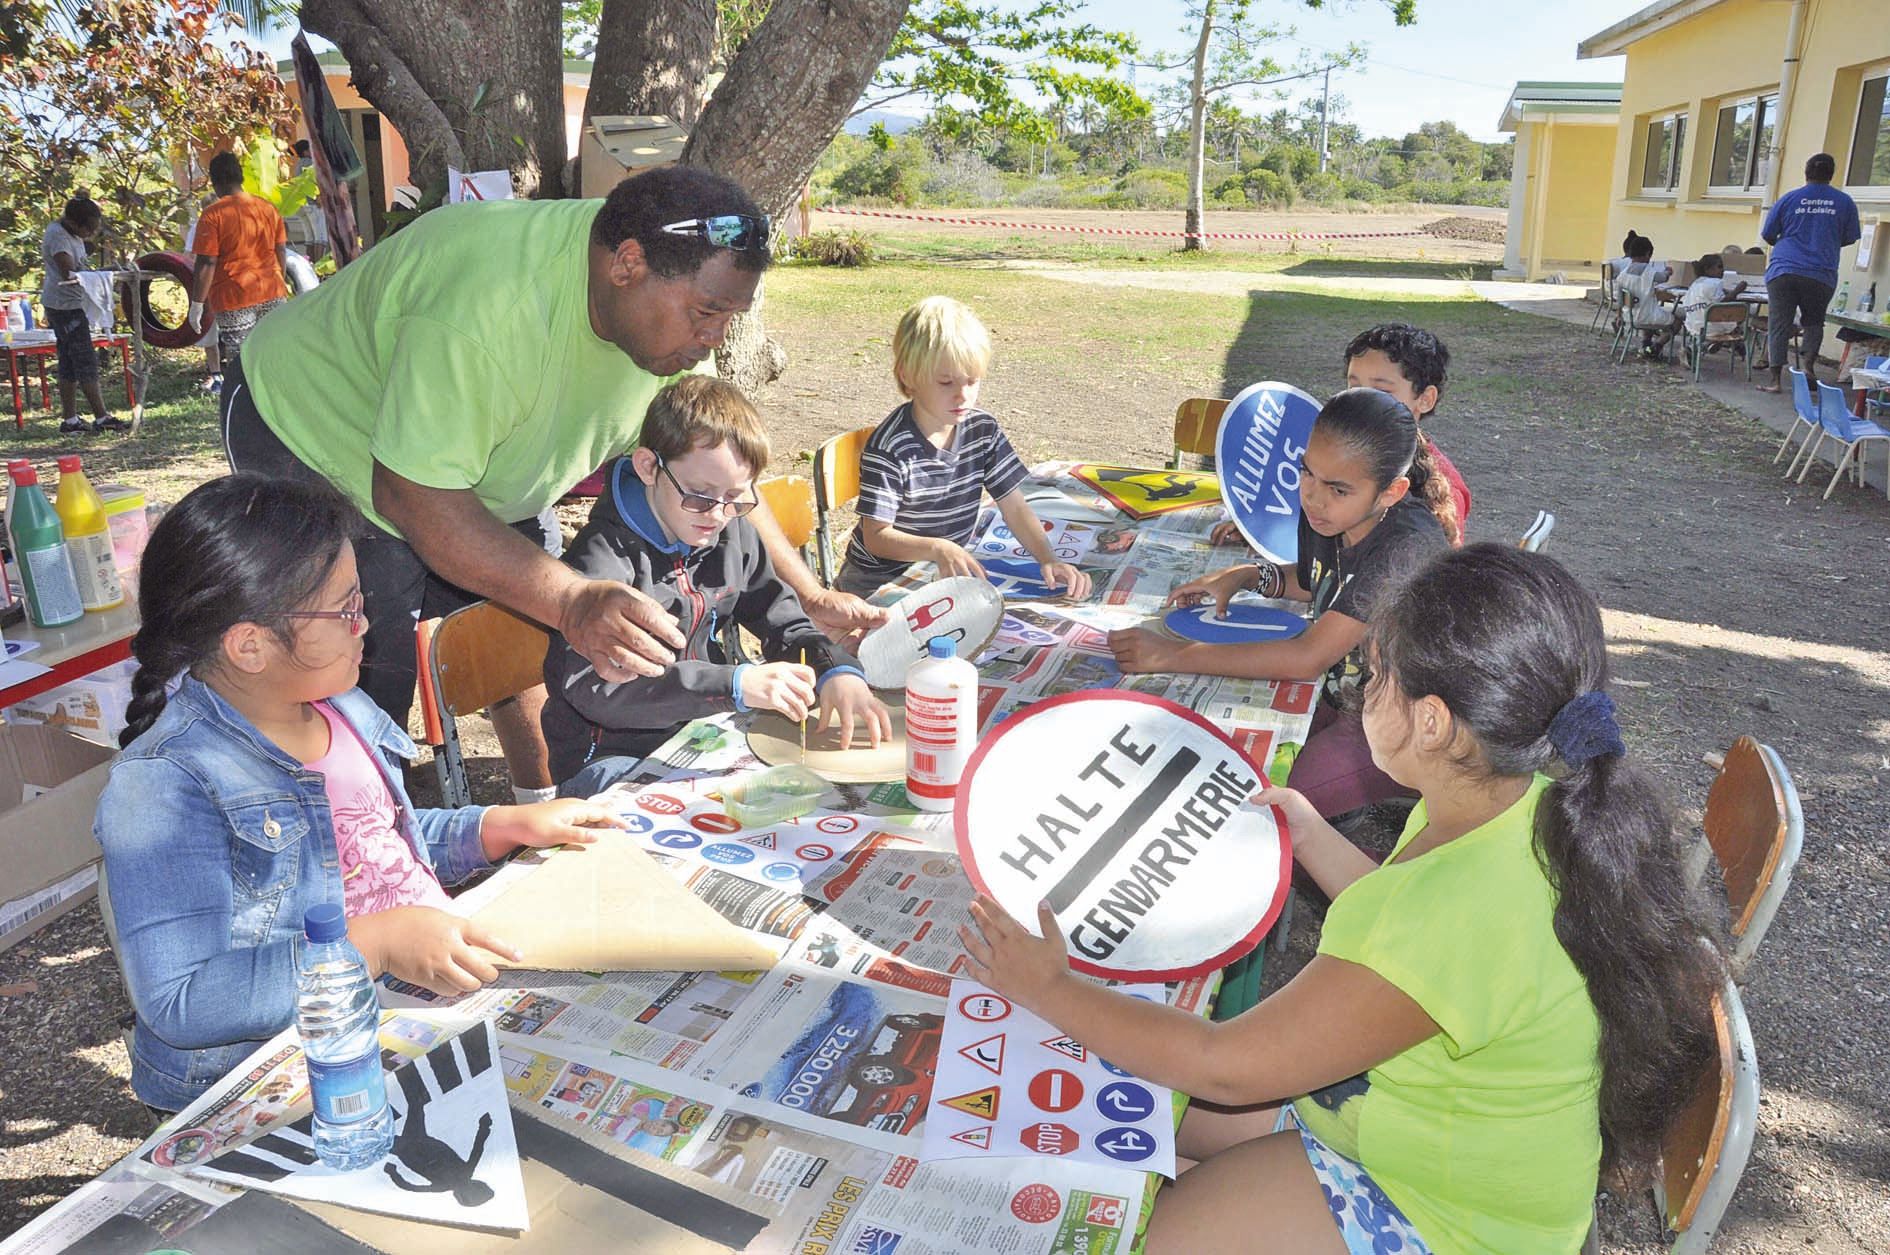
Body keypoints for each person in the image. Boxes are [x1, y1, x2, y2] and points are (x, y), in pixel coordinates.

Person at [963, 544, 1724, 1255]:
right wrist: (1306, 829)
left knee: (1146, 1215)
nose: (1364, 691)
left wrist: (1051, 987)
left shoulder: (1453, 914)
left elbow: (1227, 1064)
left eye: (1374, 675)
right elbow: (1400, 956)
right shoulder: (1514, 804)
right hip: (1417, 1129)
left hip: (1454, 1220)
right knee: (1137, 1118)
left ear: (1432, 721)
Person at [220, 165, 884, 802]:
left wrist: (810, 592)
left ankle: (538, 806)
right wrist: (570, 599)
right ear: (626, 265)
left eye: (728, 319)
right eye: (706, 313)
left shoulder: (660, 320)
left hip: (462, 453)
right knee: (361, 671)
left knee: (529, 627)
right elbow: (412, 495)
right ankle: (345, 842)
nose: (713, 342)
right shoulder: (493, 308)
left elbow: (724, 474)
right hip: (313, 432)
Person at [94, 475, 628, 1113]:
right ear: (251, 645)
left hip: (408, 1003)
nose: (366, 622)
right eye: (346, 609)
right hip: (279, 1070)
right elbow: (181, 1001)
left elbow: (372, 838)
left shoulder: (336, 704)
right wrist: (373, 944)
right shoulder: (165, 784)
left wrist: (500, 826)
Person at [1112, 388, 1450, 819]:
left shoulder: (1405, 549)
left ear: (1391, 492)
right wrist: (1248, 576)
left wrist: (1171, 654)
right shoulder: (1333, 512)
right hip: (1347, 694)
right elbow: (1320, 580)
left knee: (1277, 813)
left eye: (1337, 489)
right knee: (1216, 752)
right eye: (1306, 473)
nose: (1312, 496)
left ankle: (1373, 877)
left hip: (1406, 722)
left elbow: (1306, 658)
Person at [543, 377, 890, 791]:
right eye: (701, 494)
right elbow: (601, 691)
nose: (718, 514)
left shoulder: (728, 530)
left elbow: (782, 617)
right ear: (649, 467)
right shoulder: (602, 563)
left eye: (736, 497)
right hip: (609, 759)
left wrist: (835, 671)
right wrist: (733, 684)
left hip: (696, 731)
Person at [833, 296, 1093, 601]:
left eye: (972, 381)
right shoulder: (890, 448)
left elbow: (1014, 505)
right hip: (877, 583)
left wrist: (1048, 558)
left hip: (939, 574)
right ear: (908, 376)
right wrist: (937, 547)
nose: (962, 396)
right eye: (946, 383)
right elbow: (877, 538)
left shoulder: (981, 430)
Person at [1213, 324, 1467, 545]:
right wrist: (1265, 532)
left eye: (1381, 391)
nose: (1362, 400)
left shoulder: (1442, 488)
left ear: (1425, 399)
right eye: (1354, 387)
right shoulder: (1336, 453)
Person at [1758, 152, 1862, 393]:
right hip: (1820, 272)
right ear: (1831, 174)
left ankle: (1775, 380)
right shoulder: (1844, 202)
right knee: (1814, 322)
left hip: (1783, 269)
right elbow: (1849, 237)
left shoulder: (1789, 198)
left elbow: (1768, 234)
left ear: (1806, 173)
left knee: (1779, 323)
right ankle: (1808, 367)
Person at [189, 150, 290, 372]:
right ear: (240, 177)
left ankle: (246, 405)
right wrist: (278, 282)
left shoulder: (212, 215)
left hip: (234, 297)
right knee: (273, 356)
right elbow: (280, 250)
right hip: (272, 291)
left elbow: (206, 262)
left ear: (215, 182)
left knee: (242, 364)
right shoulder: (267, 208)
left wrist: (197, 303)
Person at [38, 194, 129, 433]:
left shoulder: (73, 234)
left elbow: (82, 270)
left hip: (73, 304)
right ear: (75, 223)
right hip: (63, 306)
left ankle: (70, 419)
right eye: (88, 229)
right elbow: (69, 272)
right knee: (84, 360)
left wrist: (106, 274)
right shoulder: (58, 237)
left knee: (68, 361)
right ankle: (101, 416)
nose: (90, 235)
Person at [1614, 234, 1677, 357]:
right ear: (1648, 253)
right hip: (1646, 316)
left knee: (1649, 311)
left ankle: (1646, 344)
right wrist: (1668, 271)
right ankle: (1655, 347)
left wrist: (1619, 316)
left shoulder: (1623, 273)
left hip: (1629, 316)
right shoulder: (1647, 270)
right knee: (1676, 321)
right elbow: (1662, 277)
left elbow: (1620, 300)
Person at [1680, 253, 1749, 349]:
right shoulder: (1716, 282)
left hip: (1694, 327)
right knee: (1739, 315)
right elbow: (1722, 304)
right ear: (1707, 269)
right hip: (1712, 327)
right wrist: (1737, 290)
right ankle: (1718, 344)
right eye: (1719, 267)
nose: (1723, 270)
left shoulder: (1695, 284)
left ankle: (1707, 345)